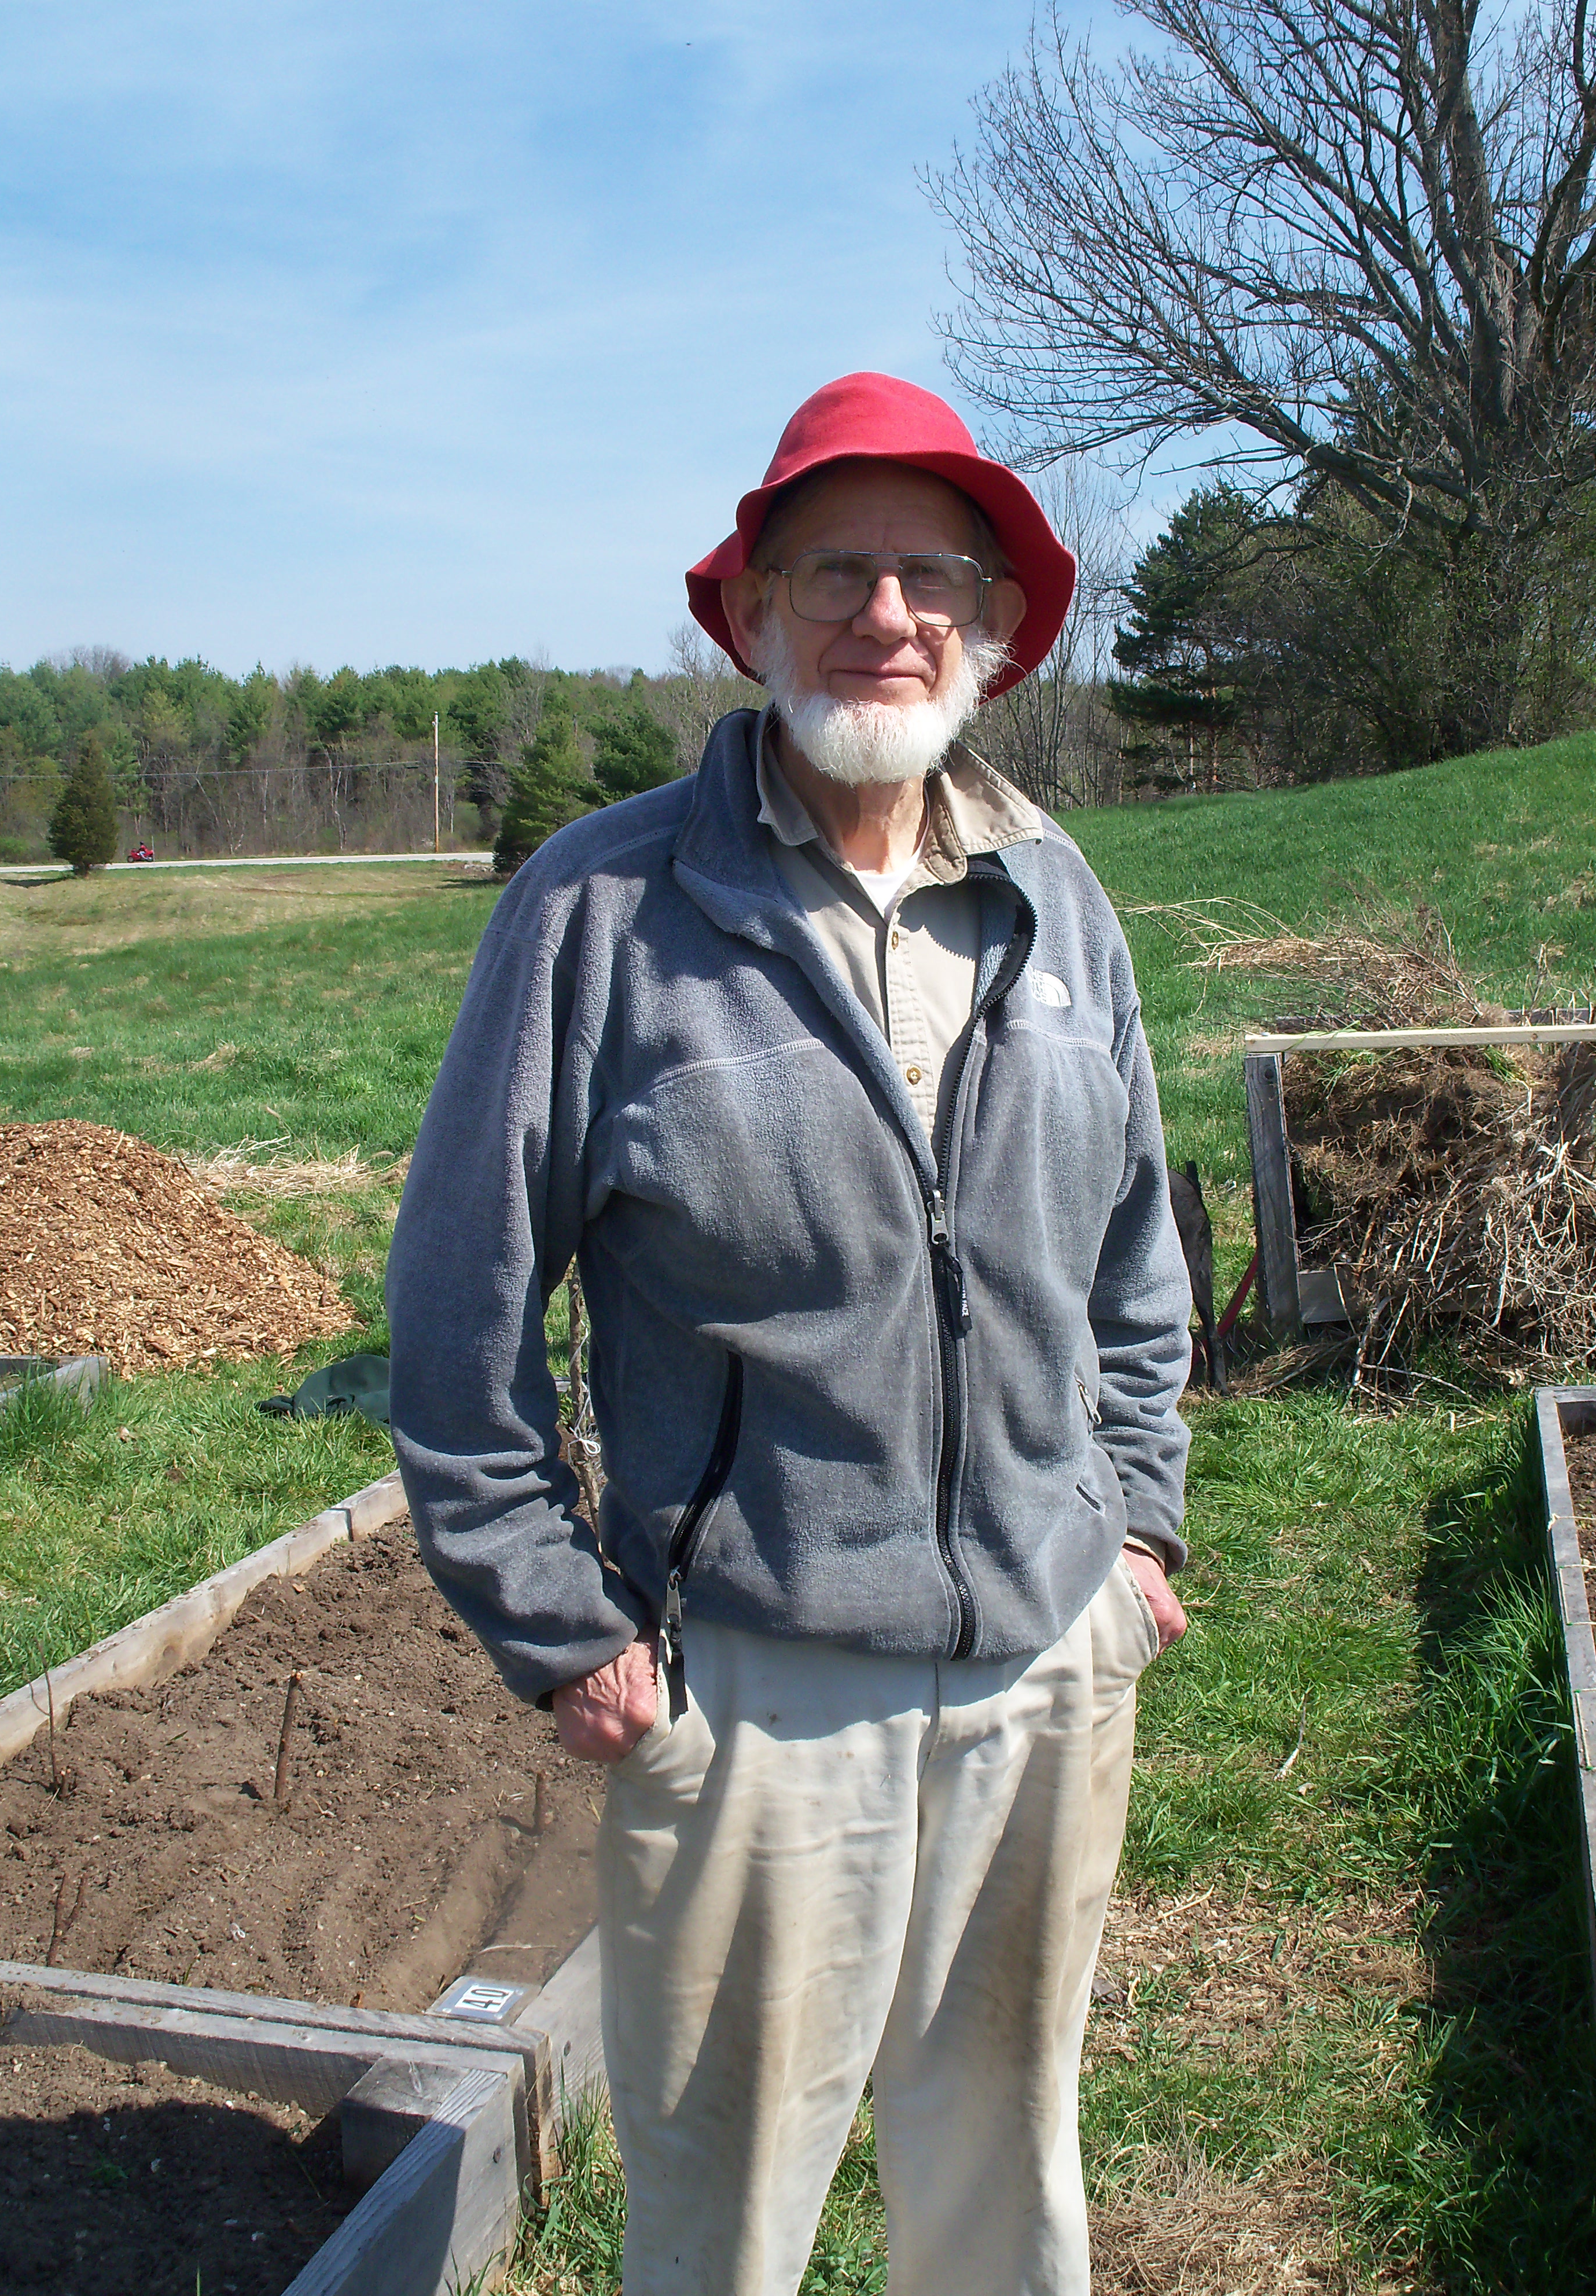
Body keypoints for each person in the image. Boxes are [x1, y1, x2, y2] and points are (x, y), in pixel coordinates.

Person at [387, 371, 1192, 2296]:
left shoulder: (1057, 901)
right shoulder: (604, 908)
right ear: (752, 616)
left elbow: (1139, 1259)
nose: (885, 615)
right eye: (835, 570)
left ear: (993, 629)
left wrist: (1140, 1526)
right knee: (730, 2215)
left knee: (1009, 2172)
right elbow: (458, 1311)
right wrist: (560, 1623)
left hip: (1046, 1660)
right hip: (754, 1685)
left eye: (932, 575)